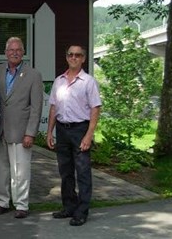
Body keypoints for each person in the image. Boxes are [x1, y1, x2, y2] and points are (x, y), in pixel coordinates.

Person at [47, 45, 102, 226]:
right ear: (67, 57)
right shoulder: (59, 81)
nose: (74, 57)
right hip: (62, 130)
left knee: (83, 172)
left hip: (80, 130)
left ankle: (81, 211)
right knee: (65, 172)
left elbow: (95, 109)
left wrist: (88, 135)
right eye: (70, 54)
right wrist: (49, 132)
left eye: (78, 55)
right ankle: (69, 206)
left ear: (83, 58)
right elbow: (54, 107)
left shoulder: (88, 82)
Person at [0, 37, 43, 219]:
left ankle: (21, 204)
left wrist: (30, 133)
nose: (14, 52)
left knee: (20, 170)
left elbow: (36, 107)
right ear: (5, 52)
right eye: (11, 50)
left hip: (21, 132)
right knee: (0, 169)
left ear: (23, 52)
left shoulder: (33, 75)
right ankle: (1, 202)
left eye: (18, 50)